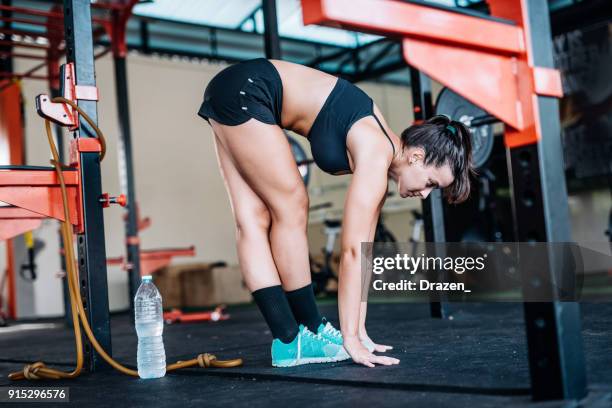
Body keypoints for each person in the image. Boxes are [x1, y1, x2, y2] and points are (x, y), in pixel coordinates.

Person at [198, 58, 474, 368]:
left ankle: (289, 339)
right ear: (416, 156)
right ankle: (304, 332)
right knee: (292, 204)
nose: (424, 194)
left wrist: (360, 331)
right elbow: (351, 253)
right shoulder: (376, 150)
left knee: (252, 218)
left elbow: (364, 255)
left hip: (232, 90)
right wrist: (350, 341)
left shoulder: (381, 163)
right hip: (249, 91)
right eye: (431, 183)